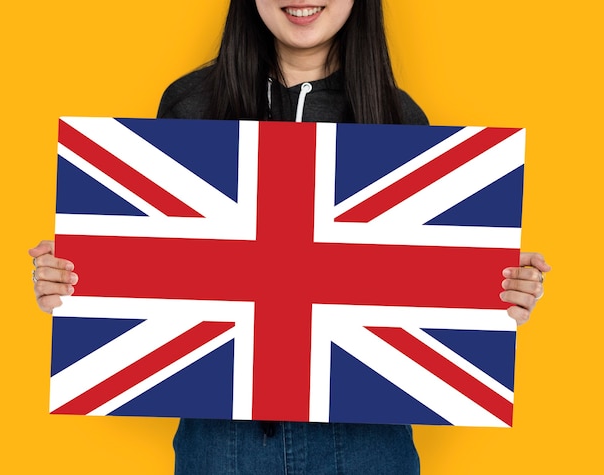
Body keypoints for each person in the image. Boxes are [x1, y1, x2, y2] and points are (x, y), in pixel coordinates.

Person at [29, 1, 552, 473]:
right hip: (220, 443)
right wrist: (78, 275)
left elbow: (427, 294)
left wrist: (496, 287)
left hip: (368, 444)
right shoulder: (191, 105)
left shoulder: (399, 118)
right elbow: (152, 274)